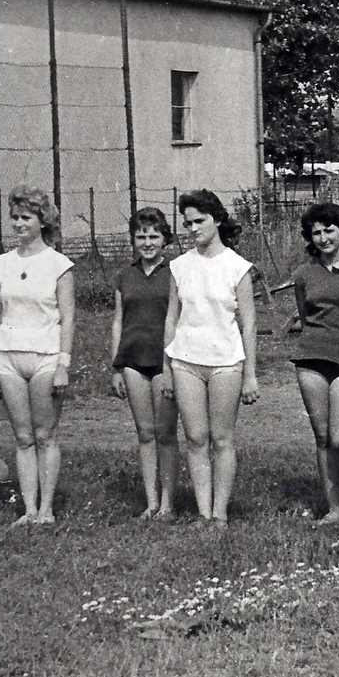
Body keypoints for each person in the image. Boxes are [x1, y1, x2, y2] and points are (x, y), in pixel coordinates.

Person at [163, 189, 257, 526]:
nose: (192, 228)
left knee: (221, 438)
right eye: (187, 223)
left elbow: (248, 325)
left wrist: (250, 374)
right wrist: (166, 367)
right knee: (196, 438)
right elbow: (171, 319)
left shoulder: (238, 267)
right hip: (185, 361)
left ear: (217, 219)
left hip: (226, 363)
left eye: (199, 221)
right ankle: (203, 511)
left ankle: (221, 513)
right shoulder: (179, 266)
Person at [0, 185, 75, 526]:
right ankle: (29, 509)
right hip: (8, 357)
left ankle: (47, 510)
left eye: (26, 217)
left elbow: (68, 318)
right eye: (15, 217)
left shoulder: (59, 264)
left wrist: (63, 364)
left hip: (46, 358)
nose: (19, 224)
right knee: (22, 438)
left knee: (44, 435)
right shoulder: (1, 264)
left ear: (42, 220)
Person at [291, 202, 339, 527]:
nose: (322, 238)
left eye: (329, 230)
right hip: (311, 358)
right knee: (322, 439)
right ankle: (334, 509)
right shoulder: (304, 273)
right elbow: (306, 318)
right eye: (316, 232)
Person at [110, 208, 179, 520]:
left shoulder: (176, 272)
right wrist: (115, 366)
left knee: (165, 433)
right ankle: (151, 503)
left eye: (154, 236)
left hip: (164, 361)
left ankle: (168, 503)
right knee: (145, 432)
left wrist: (172, 364)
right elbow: (117, 321)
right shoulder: (124, 276)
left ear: (164, 238)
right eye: (141, 236)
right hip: (133, 360)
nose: (147, 242)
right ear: (133, 240)